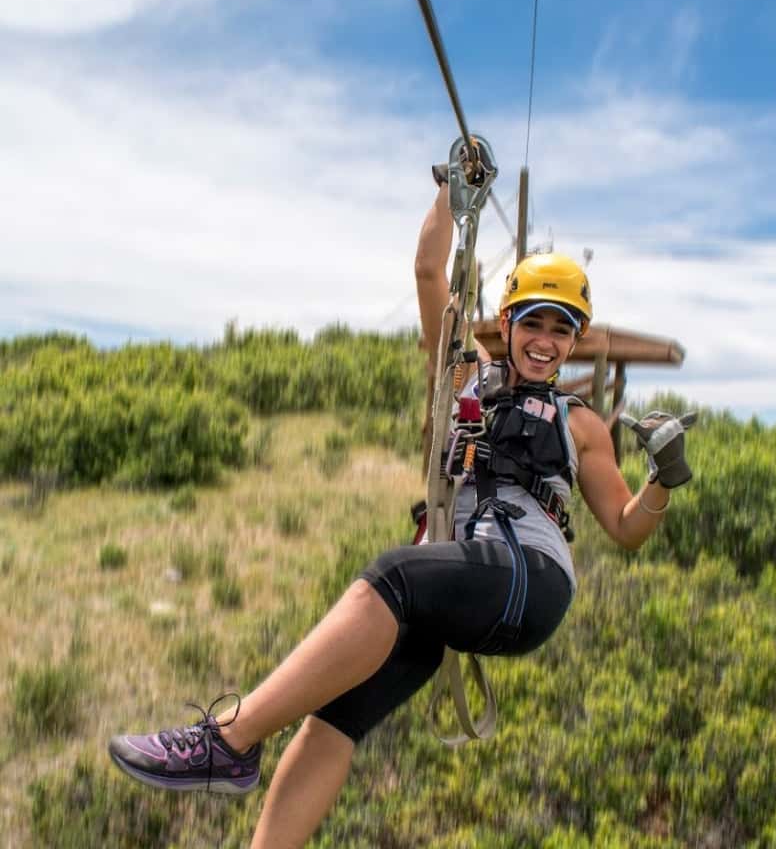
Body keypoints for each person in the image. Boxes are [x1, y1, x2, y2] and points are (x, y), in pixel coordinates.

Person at [108, 173, 694, 848]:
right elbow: (426, 270)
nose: (545, 339)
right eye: (533, 321)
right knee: (335, 713)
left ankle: (226, 742)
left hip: (531, 576)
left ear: (573, 342)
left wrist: (663, 481)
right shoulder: (465, 376)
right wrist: (455, 190)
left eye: (560, 330)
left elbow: (625, 528)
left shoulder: (582, 422)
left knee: (395, 574)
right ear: (506, 324)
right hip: (467, 585)